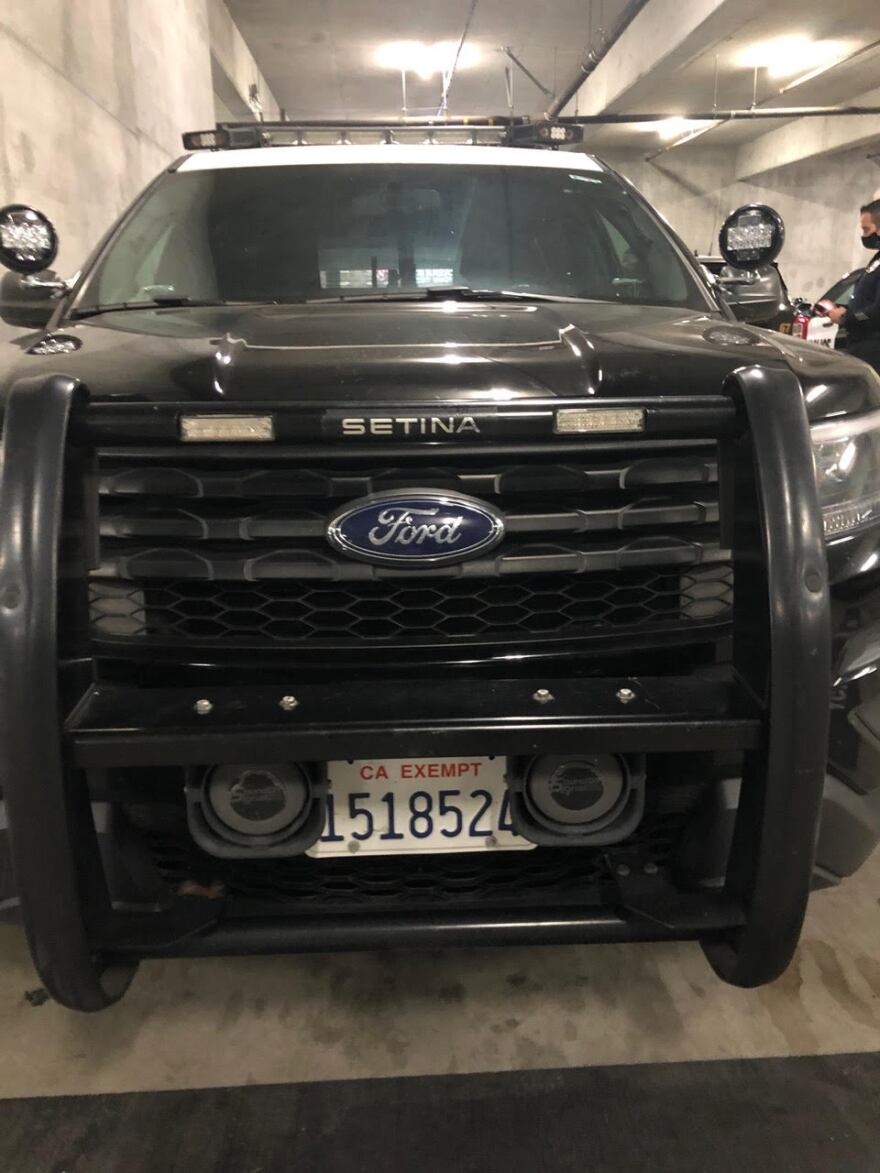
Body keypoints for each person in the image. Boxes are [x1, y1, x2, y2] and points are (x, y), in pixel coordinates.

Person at [825, 198, 880, 372]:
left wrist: (845, 317)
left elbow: (877, 312)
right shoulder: (877, 260)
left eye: (866, 229)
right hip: (862, 346)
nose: (864, 236)